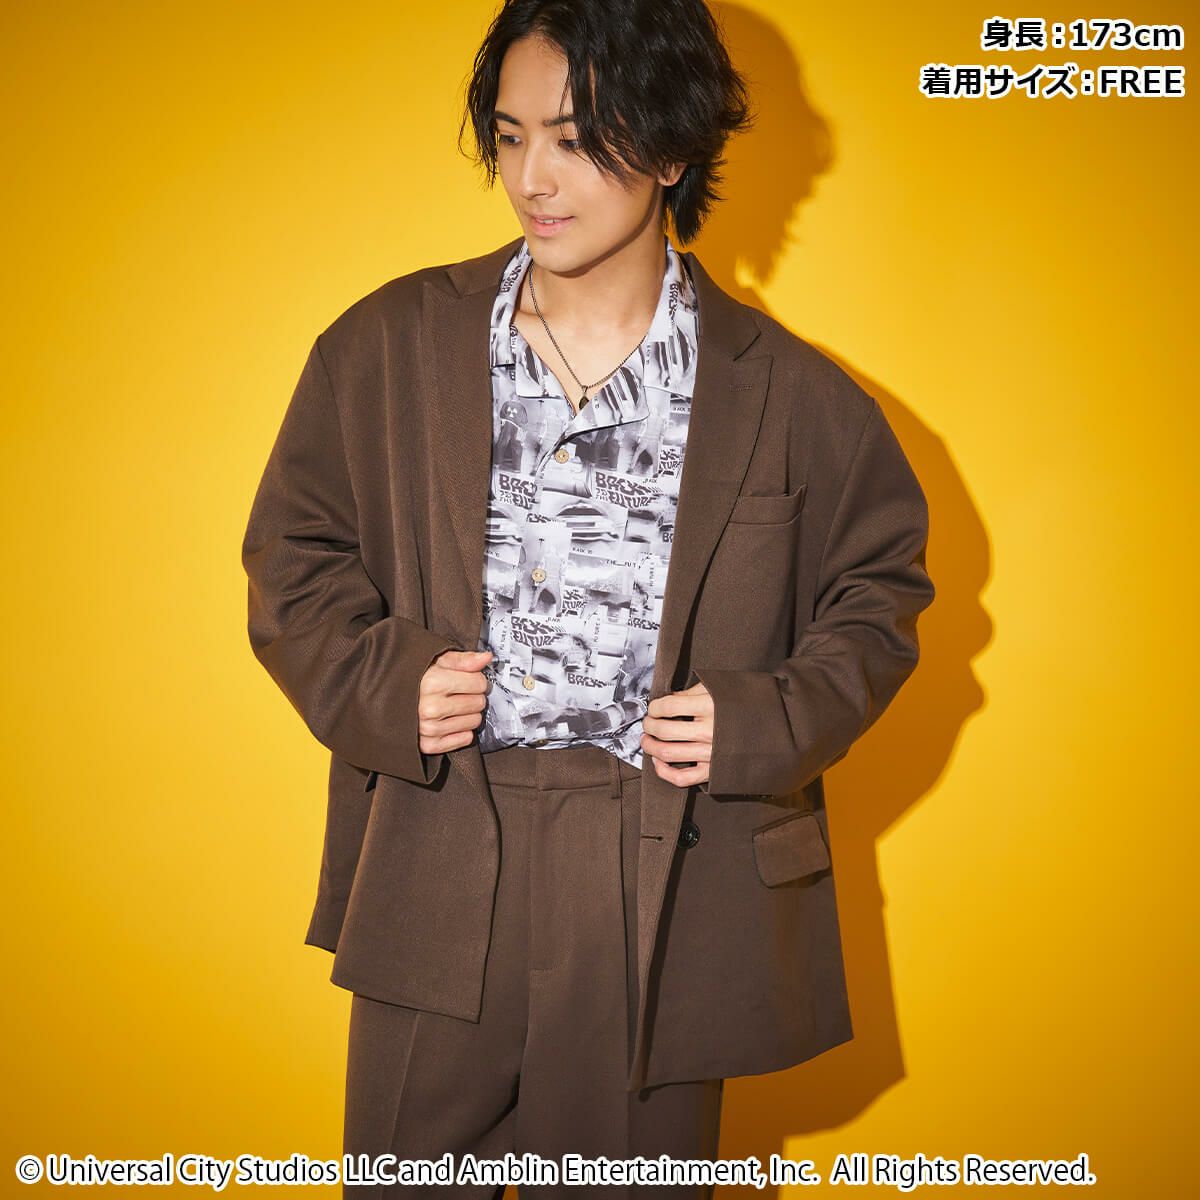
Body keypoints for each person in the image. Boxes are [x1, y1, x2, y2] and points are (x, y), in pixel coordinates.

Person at [241, 1, 935, 1196]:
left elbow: (879, 594)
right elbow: (293, 552)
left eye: (573, 139)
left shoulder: (792, 394)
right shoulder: (387, 346)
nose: (533, 179)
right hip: (438, 840)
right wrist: (384, 682)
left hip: (665, 873)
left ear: (671, 150)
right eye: (512, 137)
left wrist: (764, 719)